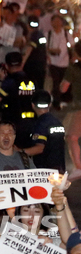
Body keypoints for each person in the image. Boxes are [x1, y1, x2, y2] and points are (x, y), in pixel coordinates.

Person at [0, 51, 37, 149]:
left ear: (6, 66)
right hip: (32, 122)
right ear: (21, 63)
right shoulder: (32, 79)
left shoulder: (9, 82)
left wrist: (0, 80)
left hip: (14, 122)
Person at [22, 90, 66, 173]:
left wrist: (19, 153)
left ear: (33, 105)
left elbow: (39, 148)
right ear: (49, 104)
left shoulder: (41, 124)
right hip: (59, 170)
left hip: (45, 173)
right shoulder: (57, 122)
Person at [60, 41, 81, 180]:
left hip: (78, 107)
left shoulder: (74, 68)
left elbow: (63, 88)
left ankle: (79, 167)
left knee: (71, 137)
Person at [47, 14, 72, 109]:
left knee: (64, 83)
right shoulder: (49, 34)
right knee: (55, 83)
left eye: (59, 21)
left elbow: (72, 45)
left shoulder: (66, 33)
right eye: (55, 21)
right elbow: (45, 47)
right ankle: (56, 102)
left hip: (64, 63)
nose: (57, 23)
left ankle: (63, 99)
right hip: (53, 63)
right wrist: (50, 52)